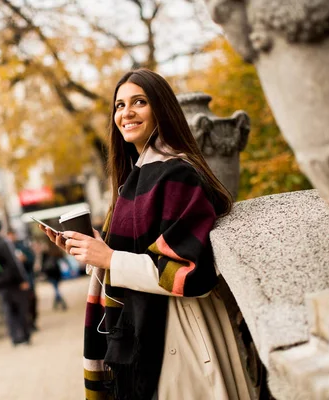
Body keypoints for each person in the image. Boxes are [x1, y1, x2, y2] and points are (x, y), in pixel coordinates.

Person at [40, 69, 251, 399]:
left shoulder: (176, 173)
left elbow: (190, 270)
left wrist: (109, 258)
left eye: (139, 102)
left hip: (178, 334)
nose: (126, 113)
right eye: (120, 105)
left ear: (161, 109)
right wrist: (91, 250)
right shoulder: (133, 181)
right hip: (141, 332)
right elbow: (135, 254)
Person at [0, 220, 32, 346]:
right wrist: (22, 279)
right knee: (21, 308)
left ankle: (15, 337)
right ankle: (25, 336)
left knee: (8, 310)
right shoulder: (3, 242)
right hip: (13, 281)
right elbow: (13, 262)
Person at [7, 229, 39, 330]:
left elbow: (31, 259)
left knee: (32, 301)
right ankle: (25, 324)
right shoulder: (6, 249)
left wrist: (25, 259)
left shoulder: (22, 247)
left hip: (27, 278)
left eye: (12, 235)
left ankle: (32, 321)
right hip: (16, 282)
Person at [41, 241, 68, 311]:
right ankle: (58, 303)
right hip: (56, 273)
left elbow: (43, 264)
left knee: (56, 289)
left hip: (51, 274)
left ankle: (60, 303)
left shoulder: (45, 253)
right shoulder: (55, 251)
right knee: (56, 288)